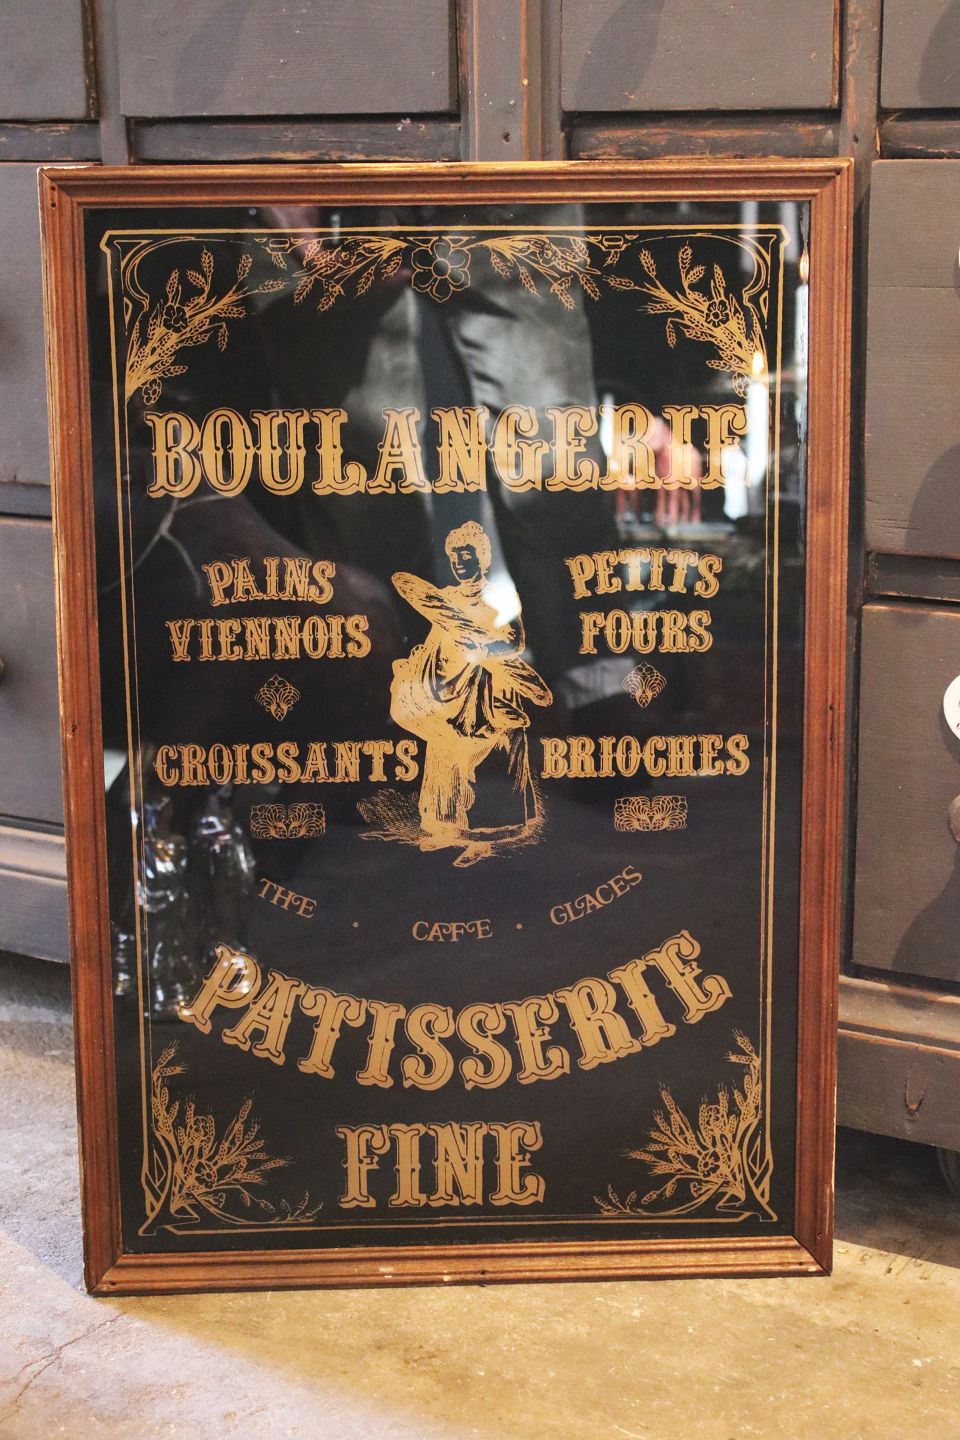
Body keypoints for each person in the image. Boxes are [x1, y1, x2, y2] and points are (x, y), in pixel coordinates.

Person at [389, 521, 552, 866]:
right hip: (451, 689)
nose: (460, 563)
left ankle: (485, 838)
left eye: (467, 556)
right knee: (444, 750)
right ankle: (444, 827)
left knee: (488, 751)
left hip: (491, 690)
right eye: (455, 557)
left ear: (482, 558)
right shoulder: (446, 598)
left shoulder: (499, 596)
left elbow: (514, 643)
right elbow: (437, 639)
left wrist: (484, 646)